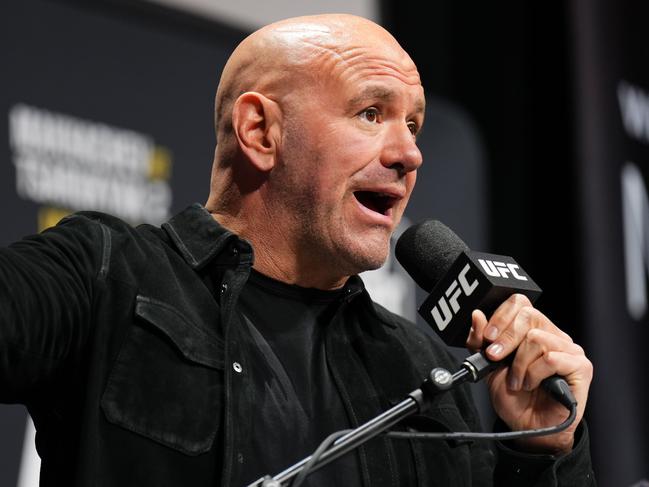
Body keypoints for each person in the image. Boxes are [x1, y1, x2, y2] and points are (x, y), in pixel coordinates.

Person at [0, 13, 594, 487]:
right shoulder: (107, 273)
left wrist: (542, 452)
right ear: (261, 132)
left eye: (412, 125)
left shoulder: (421, 370)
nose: (409, 154)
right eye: (370, 113)